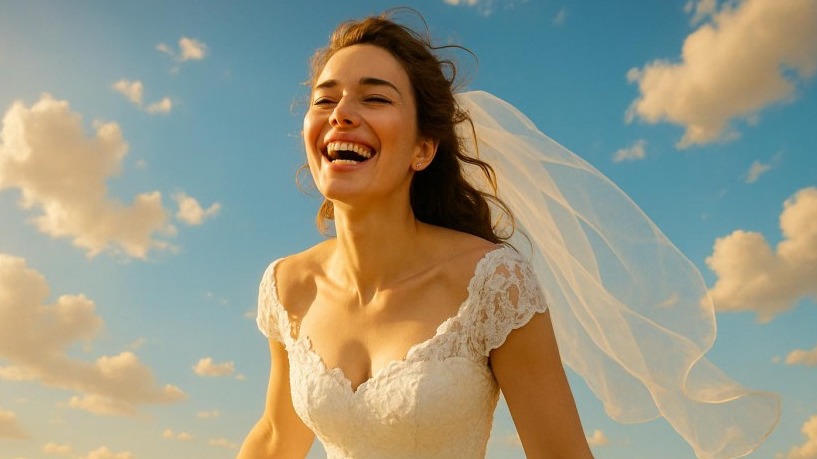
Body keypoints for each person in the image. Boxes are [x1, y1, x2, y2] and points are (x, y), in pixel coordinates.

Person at [239, 10, 778, 459]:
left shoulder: (493, 283)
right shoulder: (288, 287)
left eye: (374, 98)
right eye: (325, 99)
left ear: (424, 149)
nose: (341, 115)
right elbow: (275, 438)